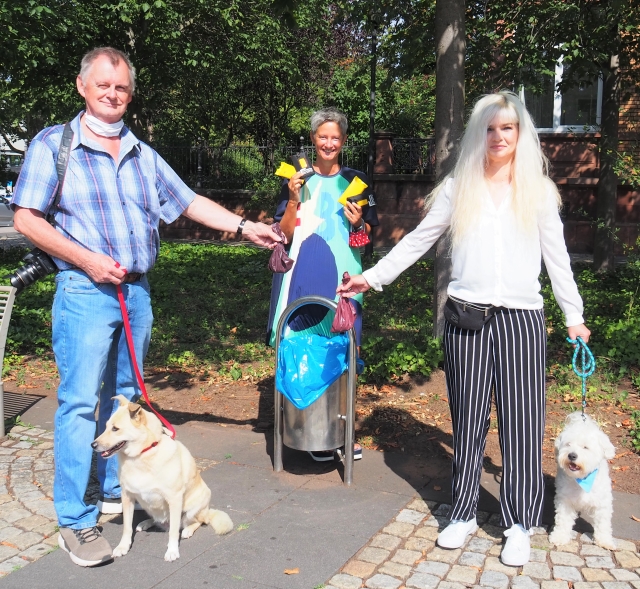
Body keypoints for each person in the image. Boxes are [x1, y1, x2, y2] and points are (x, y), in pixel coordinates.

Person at [11, 47, 280, 568]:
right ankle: (76, 520)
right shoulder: (54, 145)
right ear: (82, 86)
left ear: (130, 94)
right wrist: (86, 259)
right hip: (85, 292)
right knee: (79, 404)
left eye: (122, 88)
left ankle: (117, 487)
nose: (113, 95)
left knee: (127, 398)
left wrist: (246, 228)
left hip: (136, 294)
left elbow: (188, 201)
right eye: (103, 85)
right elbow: (26, 218)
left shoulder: (140, 152)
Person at [338, 92, 590, 567]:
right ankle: (464, 512)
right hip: (466, 317)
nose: (499, 137)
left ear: (521, 134)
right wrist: (370, 279)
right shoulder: (460, 186)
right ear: (480, 133)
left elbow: (558, 259)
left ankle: (518, 522)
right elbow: (419, 239)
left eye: (508, 129)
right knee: (469, 419)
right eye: (491, 128)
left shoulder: (536, 190)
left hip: (520, 319)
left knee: (522, 423)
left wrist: (572, 315)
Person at [266, 107, 379, 461]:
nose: (329, 143)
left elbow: (369, 240)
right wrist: (294, 200)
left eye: (335, 137)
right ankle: (300, 426)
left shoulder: (356, 180)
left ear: (343, 142)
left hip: (344, 278)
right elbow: (282, 235)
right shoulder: (297, 179)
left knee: (345, 347)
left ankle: (344, 431)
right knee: (298, 343)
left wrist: (359, 223)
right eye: (322, 136)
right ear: (313, 139)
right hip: (300, 276)